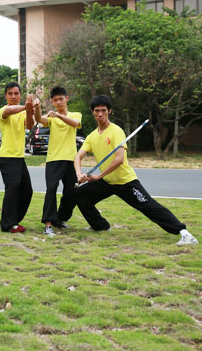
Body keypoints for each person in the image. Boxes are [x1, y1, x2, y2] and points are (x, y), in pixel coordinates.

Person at [74, 95, 198, 246]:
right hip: (107, 181)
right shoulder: (92, 136)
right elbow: (78, 156)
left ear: (109, 111)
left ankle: (184, 233)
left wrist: (99, 176)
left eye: (103, 110)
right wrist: (79, 173)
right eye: (97, 111)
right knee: (80, 195)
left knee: (148, 206)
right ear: (93, 112)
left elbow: (119, 159)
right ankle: (100, 226)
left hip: (125, 181)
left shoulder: (116, 131)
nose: (100, 114)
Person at [33, 86, 82, 237]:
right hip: (54, 159)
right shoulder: (51, 118)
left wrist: (58, 116)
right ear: (52, 102)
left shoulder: (75, 114)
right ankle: (48, 224)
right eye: (55, 100)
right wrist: (37, 108)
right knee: (51, 189)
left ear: (66, 99)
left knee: (71, 192)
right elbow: (39, 119)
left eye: (61, 99)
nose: (58, 102)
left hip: (71, 160)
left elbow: (74, 123)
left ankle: (60, 218)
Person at [0, 82, 35, 233]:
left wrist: (30, 111)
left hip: (19, 158)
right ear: (6, 96)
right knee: (12, 190)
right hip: (7, 157)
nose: (13, 96)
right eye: (10, 94)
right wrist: (27, 107)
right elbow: (9, 111)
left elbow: (30, 125)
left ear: (20, 95)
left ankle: (14, 220)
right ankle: (7, 224)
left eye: (16, 93)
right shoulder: (3, 110)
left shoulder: (22, 111)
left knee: (27, 190)